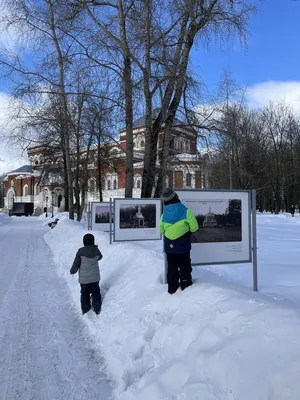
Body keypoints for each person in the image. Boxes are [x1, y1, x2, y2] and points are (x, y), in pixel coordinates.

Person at [160, 187, 199, 294]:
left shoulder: (163, 215)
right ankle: (186, 285)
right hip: (183, 244)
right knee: (185, 265)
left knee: (172, 266)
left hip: (170, 246)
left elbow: (161, 229)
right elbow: (195, 227)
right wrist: (186, 231)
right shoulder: (186, 211)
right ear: (176, 197)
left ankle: (172, 288)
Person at [70, 233, 103, 314]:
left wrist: (72, 271)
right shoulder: (96, 250)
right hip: (95, 278)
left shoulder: (80, 251)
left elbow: (76, 264)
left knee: (84, 293)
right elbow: (100, 257)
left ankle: (85, 309)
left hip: (84, 280)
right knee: (96, 292)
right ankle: (97, 308)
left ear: (84, 242)